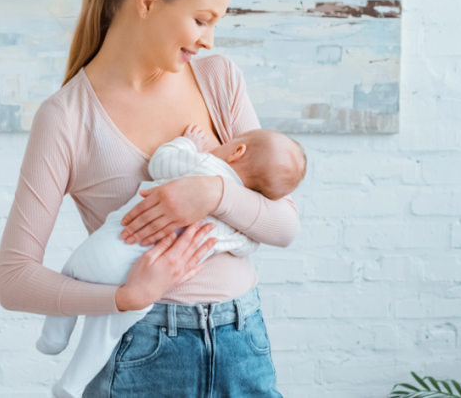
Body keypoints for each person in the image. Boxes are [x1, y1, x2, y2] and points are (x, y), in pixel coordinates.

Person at [0, 0, 301, 397]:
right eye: (202, 20)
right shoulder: (67, 117)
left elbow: (284, 226)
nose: (209, 40)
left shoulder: (219, 80)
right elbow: (13, 281)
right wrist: (126, 297)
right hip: (141, 350)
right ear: (148, 0)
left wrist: (212, 192)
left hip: (243, 338)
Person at [36, 124, 307, 398]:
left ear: (237, 150)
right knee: (103, 332)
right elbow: (234, 243)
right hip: (138, 279)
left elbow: (162, 163)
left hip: (107, 247)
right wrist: (249, 238)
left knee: (71, 274)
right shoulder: (233, 214)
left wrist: (186, 144)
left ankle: (53, 336)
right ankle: (69, 384)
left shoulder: (204, 162)